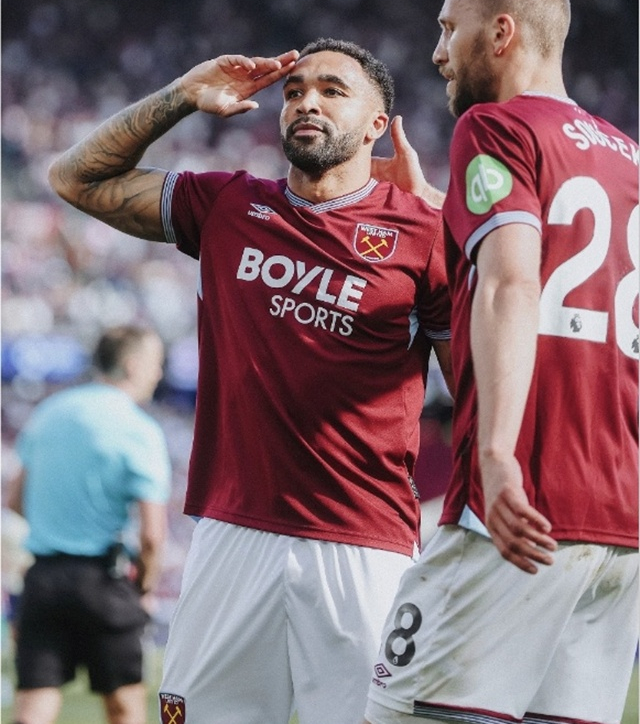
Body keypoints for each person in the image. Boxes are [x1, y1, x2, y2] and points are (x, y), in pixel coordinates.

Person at [46, 38, 453, 724]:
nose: (307, 102)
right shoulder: (229, 205)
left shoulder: (425, 233)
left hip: (365, 544)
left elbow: (479, 384)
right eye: (294, 91)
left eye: (332, 90)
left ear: (377, 125)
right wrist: (182, 95)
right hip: (231, 534)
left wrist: (445, 210)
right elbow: (74, 179)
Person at [363, 0, 639, 724]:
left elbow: (516, 281)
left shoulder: (495, 126)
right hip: (620, 521)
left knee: (400, 711)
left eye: (450, 28)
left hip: (520, 503)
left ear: (502, 31)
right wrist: (441, 204)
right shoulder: (629, 160)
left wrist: (495, 455)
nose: (437, 51)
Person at [8, 325, 171, 724]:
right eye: (155, 363)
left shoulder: (50, 411)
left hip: (43, 577)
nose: (159, 373)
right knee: (124, 708)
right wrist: (144, 587)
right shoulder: (138, 427)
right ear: (132, 364)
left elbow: (15, 499)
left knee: (33, 708)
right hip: (105, 582)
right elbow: (152, 535)